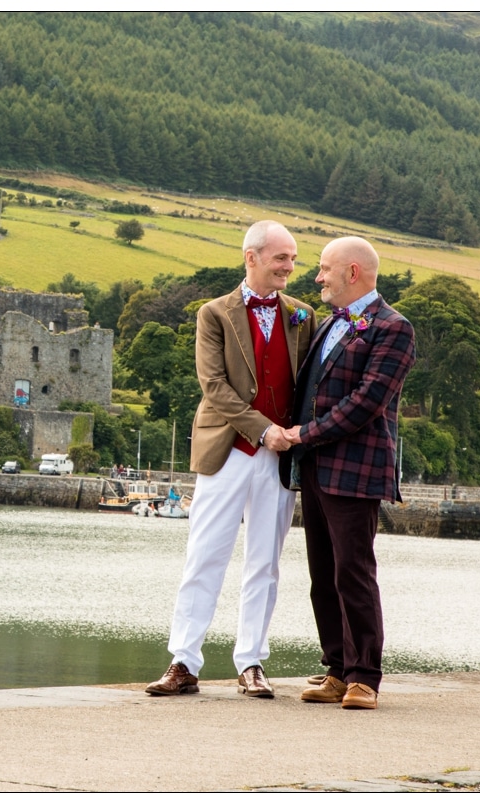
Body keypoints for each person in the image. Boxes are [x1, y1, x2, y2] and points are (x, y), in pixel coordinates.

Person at [145, 220, 316, 698]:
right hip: (228, 450)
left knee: (266, 562)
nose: (290, 267)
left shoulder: (303, 315)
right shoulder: (214, 313)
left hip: (281, 456)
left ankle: (251, 663)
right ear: (252, 257)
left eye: (294, 259)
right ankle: (183, 661)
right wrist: (263, 431)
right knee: (205, 555)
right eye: (281, 257)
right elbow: (214, 388)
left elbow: (309, 388)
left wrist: (293, 436)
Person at [281, 236, 416, 711]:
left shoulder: (393, 328)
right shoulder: (332, 323)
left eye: (323, 269)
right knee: (323, 574)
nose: (317, 277)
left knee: (354, 572)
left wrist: (301, 435)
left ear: (352, 272)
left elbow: (365, 403)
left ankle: (365, 677)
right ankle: (337, 669)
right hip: (315, 466)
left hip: (356, 468)